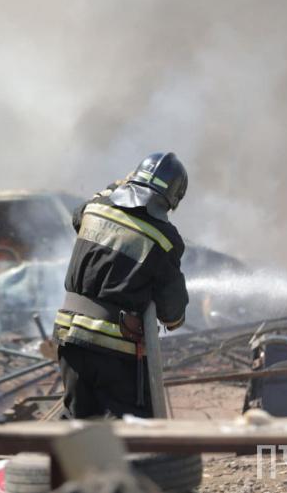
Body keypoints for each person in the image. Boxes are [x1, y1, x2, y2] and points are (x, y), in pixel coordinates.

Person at [53, 152, 189, 419]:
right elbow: (172, 314)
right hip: (115, 349)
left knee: (79, 425)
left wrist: (116, 186)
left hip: (69, 337)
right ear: (173, 198)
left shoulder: (94, 207)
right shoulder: (165, 238)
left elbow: (78, 218)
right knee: (133, 428)